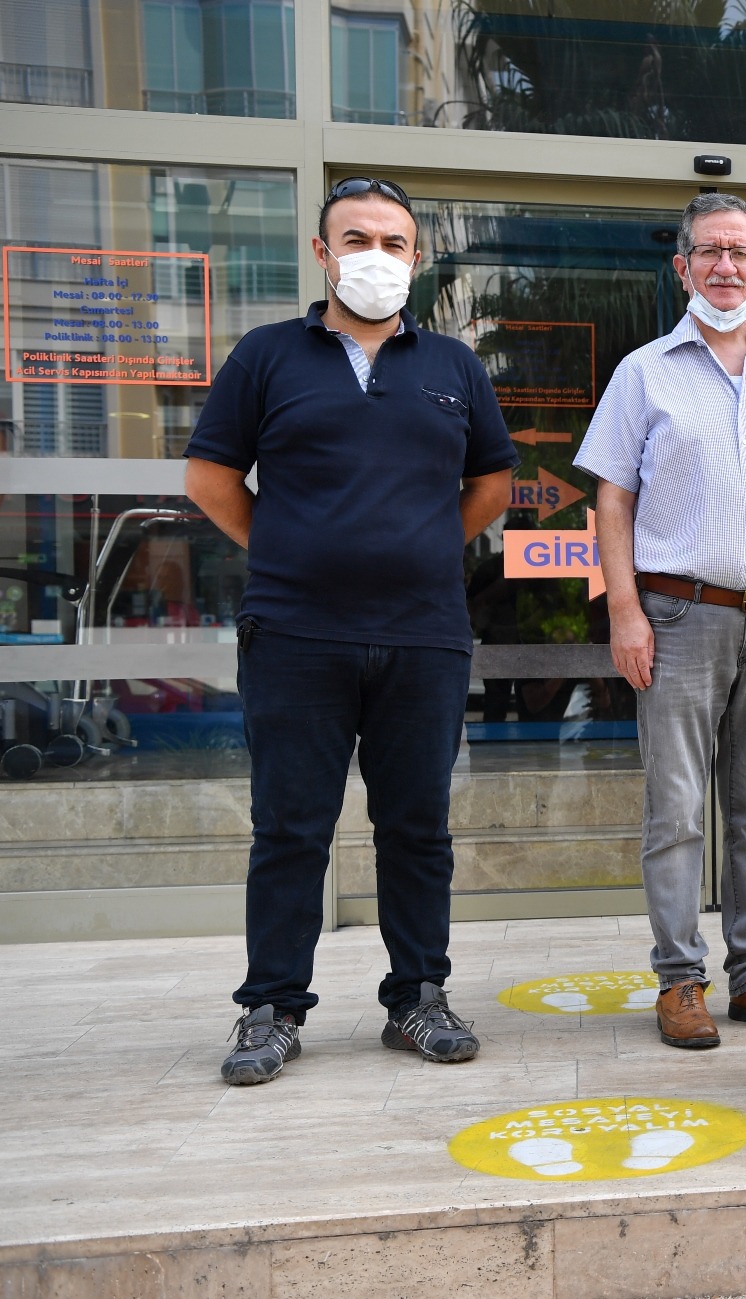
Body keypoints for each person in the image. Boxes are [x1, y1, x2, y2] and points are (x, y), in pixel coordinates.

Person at [185, 177, 518, 1084]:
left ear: (416, 258)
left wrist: (420, 544)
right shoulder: (266, 356)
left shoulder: (452, 365)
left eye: (395, 241)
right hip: (296, 632)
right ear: (324, 254)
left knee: (417, 826)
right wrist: (288, 544)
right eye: (357, 239)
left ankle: (418, 996)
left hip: (423, 633)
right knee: (291, 826)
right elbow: (211, 476)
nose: (377, 256)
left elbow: (489, 482)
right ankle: (271, 1008)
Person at [577, 193, 746, 1050]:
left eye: (741, 252)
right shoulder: (643, 372)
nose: (725, 266)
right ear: (681, 266)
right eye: (709, 252)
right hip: (680, 615)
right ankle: (680, 979)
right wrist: (624, 610)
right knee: (679, 808)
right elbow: (612, 501)